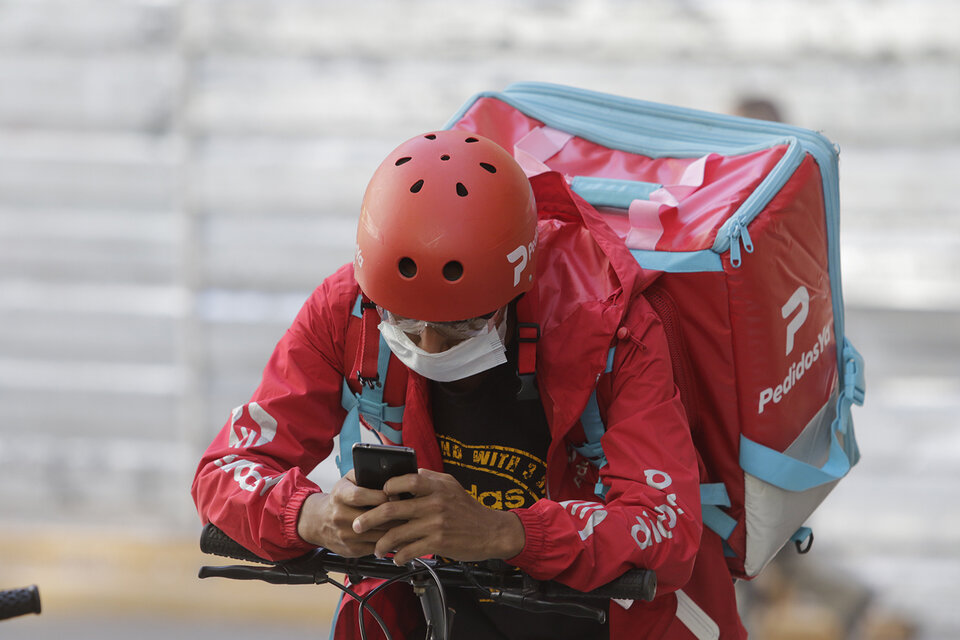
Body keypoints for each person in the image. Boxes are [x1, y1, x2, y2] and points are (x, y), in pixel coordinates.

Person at [192, 130, 745, 639]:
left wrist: (505, 532)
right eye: (404, 324)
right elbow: (222, 471)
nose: (428, 348)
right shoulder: (347, 310)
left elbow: (665, 528)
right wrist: (313, 518)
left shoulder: (608, 326)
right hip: (432, 614)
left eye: (460, 326)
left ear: (516, 288)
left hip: (611, 621)